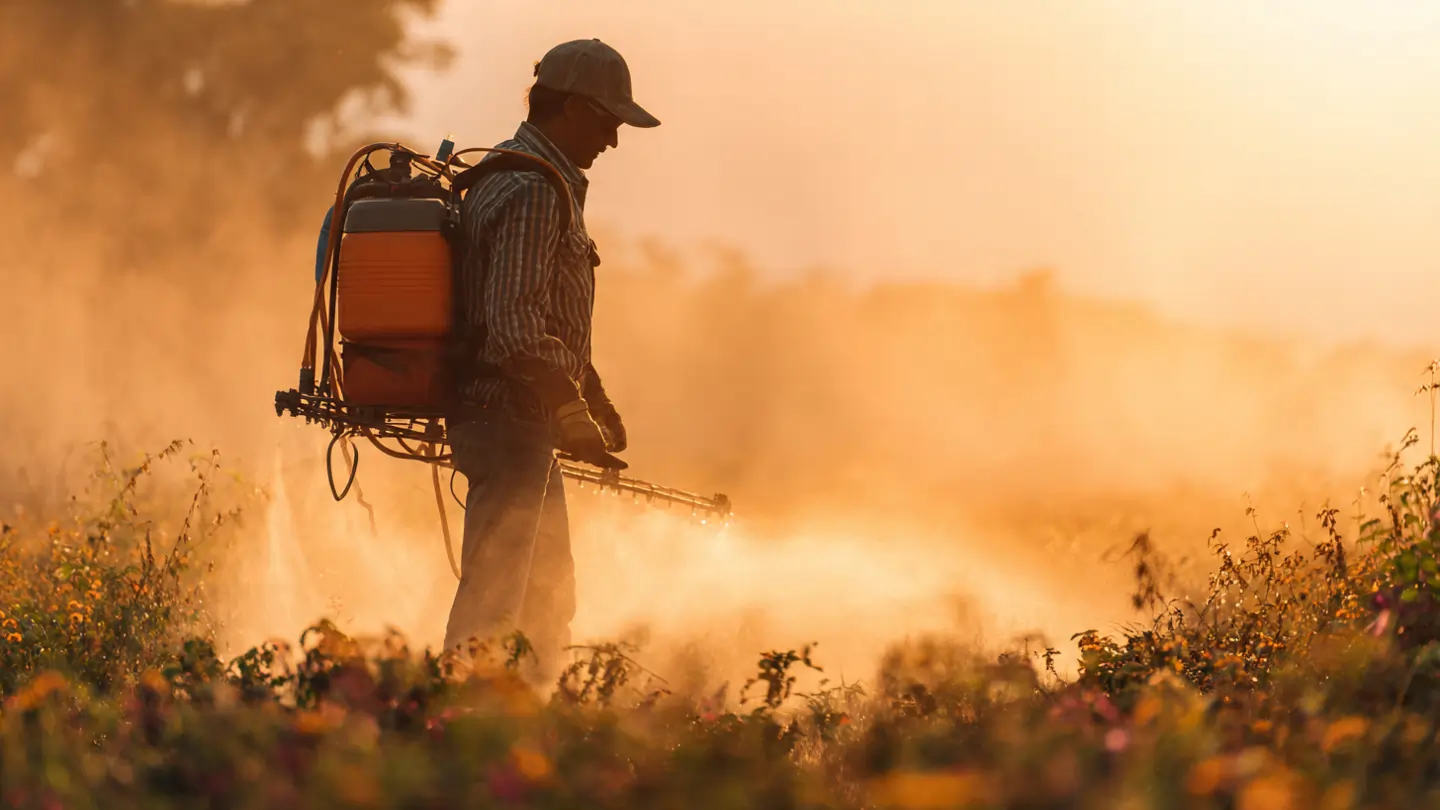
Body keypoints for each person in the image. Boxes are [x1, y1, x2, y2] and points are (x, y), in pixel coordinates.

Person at [441, 38, 660, 681]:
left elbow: (540, 316)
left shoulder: (515, 176)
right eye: (606, 121)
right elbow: (511, 328)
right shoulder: (537, 190)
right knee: (494, 603)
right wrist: (568, 406)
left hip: (518, 425)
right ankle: (454, 736)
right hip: (508, 423)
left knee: (546, 596)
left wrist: (593, 399)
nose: (614, 141)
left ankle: (522, 732)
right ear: (566, 107)